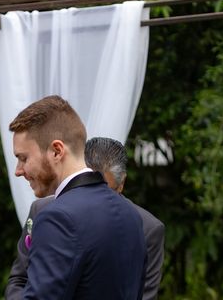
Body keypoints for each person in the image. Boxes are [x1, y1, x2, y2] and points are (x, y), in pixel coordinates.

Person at [9, 95, 146, 300]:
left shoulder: (57, 218)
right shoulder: (130, 214)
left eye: (23, 158)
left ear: (56, 151)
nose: (18, 171)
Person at [85, 137, 165, 300]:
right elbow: (21, 280)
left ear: (121, 184)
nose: (94, 201)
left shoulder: (147, 229)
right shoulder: (44, 211)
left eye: (104, 193)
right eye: (86, 189)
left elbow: (145, 296)